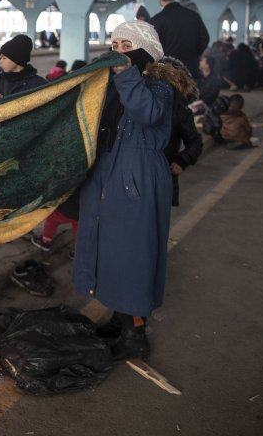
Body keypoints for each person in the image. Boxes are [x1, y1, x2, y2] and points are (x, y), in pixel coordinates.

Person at [74, 20, 177, 362]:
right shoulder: (119, 82)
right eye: (114, 43)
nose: (118, 50)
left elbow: (147, 113)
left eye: (125, 44)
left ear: (143, 49)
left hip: (138, 177)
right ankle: (120, 317)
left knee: (133, 253)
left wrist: (125, 74)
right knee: (111, 249)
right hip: (112, 171)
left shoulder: (160, 83)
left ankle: (135, 333)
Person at [160, 57, 203, 207]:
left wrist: (182, 160)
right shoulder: (137, 107)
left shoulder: (179, 112)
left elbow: (195, 142)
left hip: (164, 178)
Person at [150, 0, 210, 79]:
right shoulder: (193, 16)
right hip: (190, 68)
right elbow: (205, 38)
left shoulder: (157, 20)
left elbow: (152, 46)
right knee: (189, 93)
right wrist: (193, 54)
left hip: (167, 70)